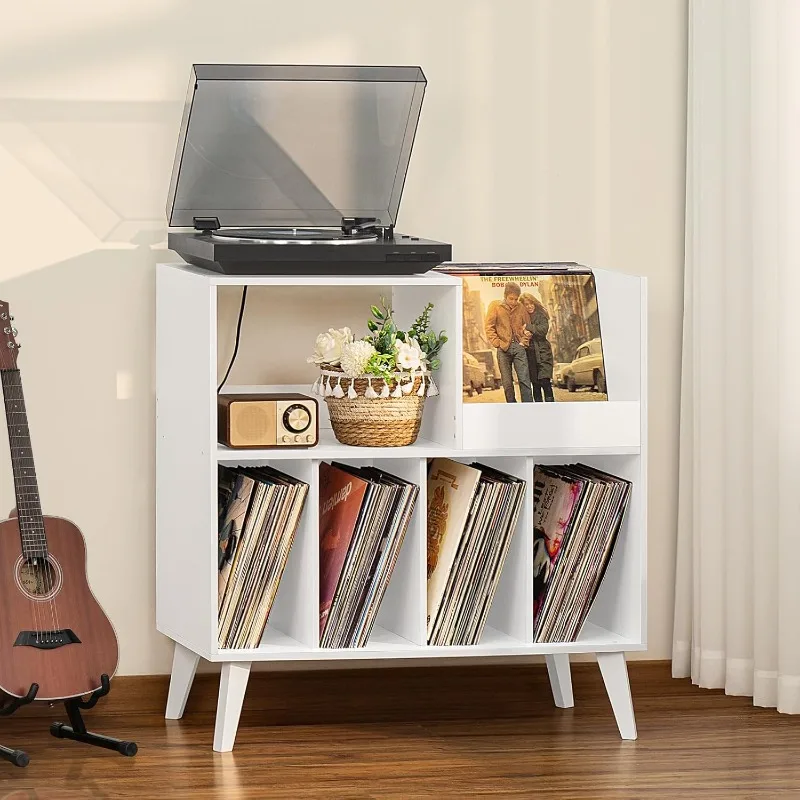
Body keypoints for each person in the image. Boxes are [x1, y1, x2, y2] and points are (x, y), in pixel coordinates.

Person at [484, 282, 533, 403]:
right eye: (511, 299)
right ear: (505, 296)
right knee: (507, 383)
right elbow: (489, 326)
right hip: (503, 349)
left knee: (524, 380)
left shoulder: (521, 307)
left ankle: (528, 407)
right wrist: (497, 343)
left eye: (516, 299)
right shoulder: (495, 306)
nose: (514, 302)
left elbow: (528, 327)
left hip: (519, 347)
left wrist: (524, 341)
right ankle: (512, 407)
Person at [520, 292, 555, 402]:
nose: (529, 306)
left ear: (534, 303)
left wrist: (528, 327)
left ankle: (551, 409)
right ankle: (539, 410)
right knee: (535, 384)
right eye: (526, 304)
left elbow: (543, 330)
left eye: (531, 303)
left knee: (545, 382)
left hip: (543, 352)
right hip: (529, 354)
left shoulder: (541, 315)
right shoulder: (522, 316)